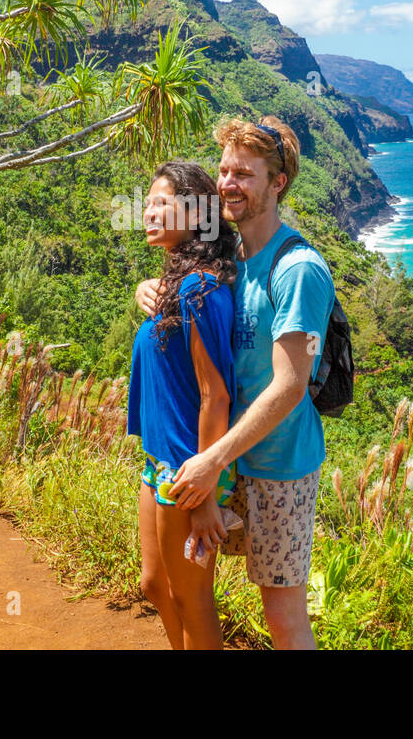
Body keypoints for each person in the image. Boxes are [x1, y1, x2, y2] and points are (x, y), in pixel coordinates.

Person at [134, 117, 335, 650]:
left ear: (278, 182)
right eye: (223, 169)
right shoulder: (233, 257)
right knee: (174, 586)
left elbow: (290, 386)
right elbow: (190, 291)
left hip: (275, 466)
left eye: (244, 173)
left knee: (282, 613)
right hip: (223, 458)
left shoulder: (297, 270)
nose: (227, 183)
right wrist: (148, 287)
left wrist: (211, 460)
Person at [127, 161, 240, 650]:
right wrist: (141, 293)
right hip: (161, 460)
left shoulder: (201, 289)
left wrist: (205, 492)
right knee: (156, 585)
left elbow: (216, 396)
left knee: (192, 596)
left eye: (160, 203)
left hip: (189, 470)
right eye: (146, 202)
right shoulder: (178, 283)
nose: (147, 211)